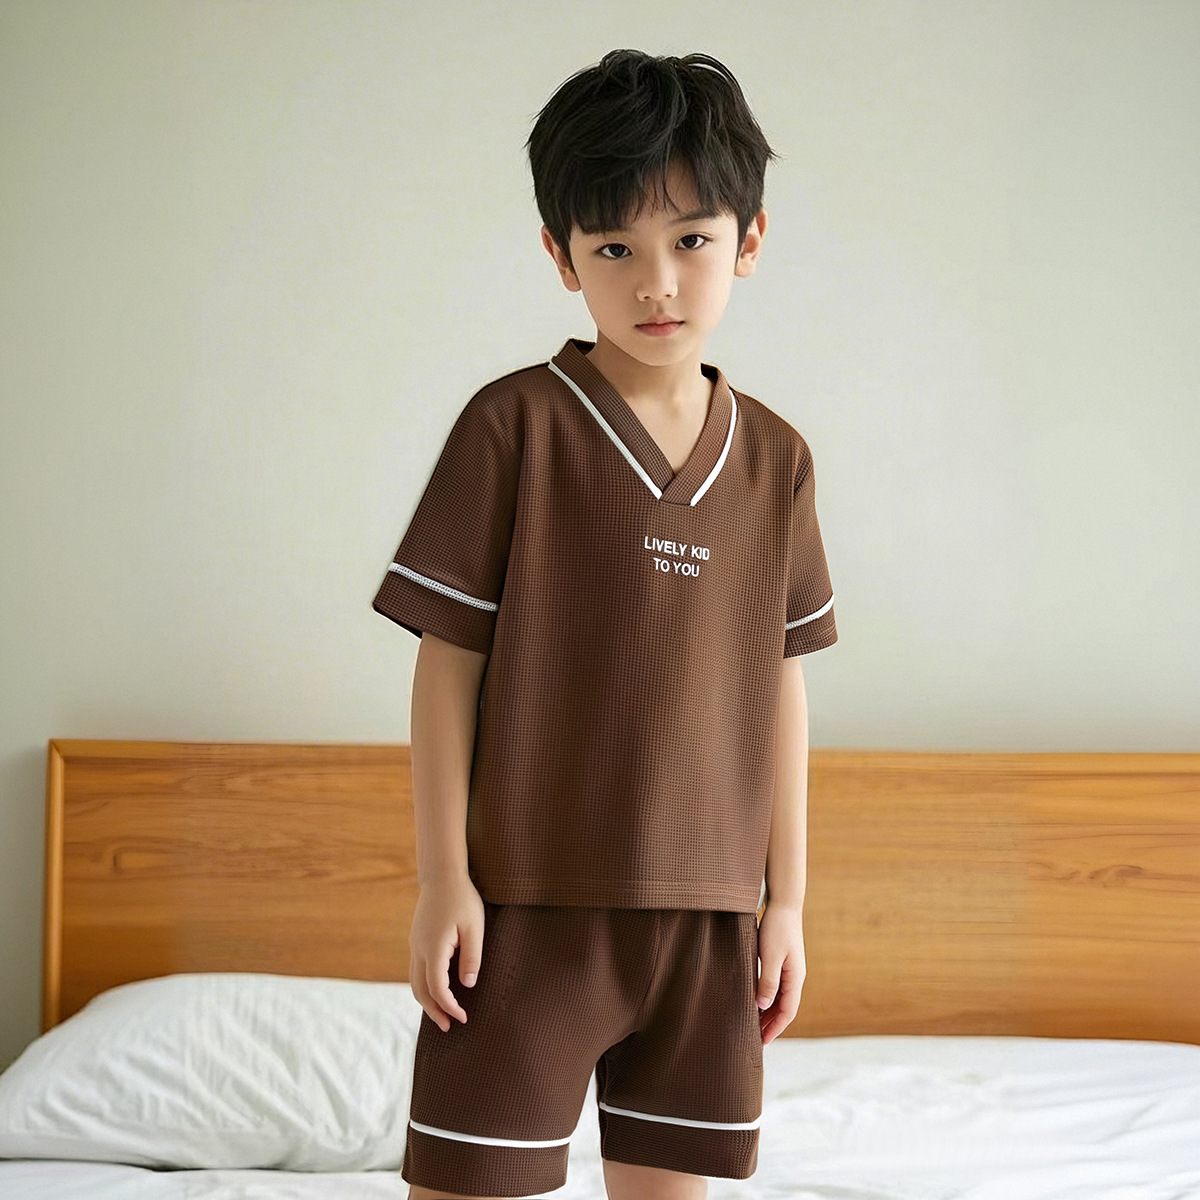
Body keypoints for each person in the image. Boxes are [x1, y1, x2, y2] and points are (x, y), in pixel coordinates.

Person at [372, 48, 837, 1200]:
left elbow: (780, 683)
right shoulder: (512, 428)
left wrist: (786, 901)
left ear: (751, 240)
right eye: (615, 249)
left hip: (710, 929)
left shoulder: (775, 460)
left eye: (692, 240)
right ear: (560, 255)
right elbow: (449, 663)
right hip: (522, 914)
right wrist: (442, 878)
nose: (657, 283)